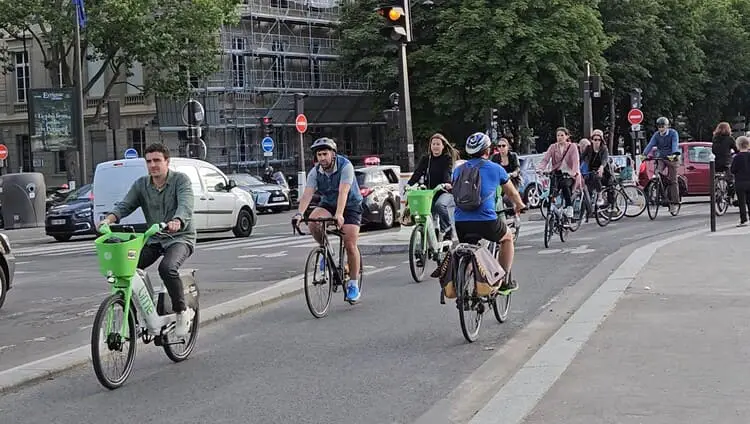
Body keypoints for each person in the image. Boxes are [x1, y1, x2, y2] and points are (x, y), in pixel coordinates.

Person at [98, 143, 196, 337]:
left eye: (157, 160)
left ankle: (181, 311)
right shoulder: (141, 184)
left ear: (166, 161)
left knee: (167, 268)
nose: (153, 165)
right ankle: (140, 311)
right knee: (126, 268)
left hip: (179, 237)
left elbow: (186, 205)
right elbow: (125, 205)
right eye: (149, 161)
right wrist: (108, 220)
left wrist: (177, 220)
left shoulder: (180, 181)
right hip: (153, 238)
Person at [293, 138, 363, 303]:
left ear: (333, 154)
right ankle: (326, 250)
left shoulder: (345, 166)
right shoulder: (315, 172)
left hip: (350, 204)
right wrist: (299, 214)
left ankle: (353, 284)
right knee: (313, 221)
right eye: (319, 155)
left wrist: (339, 214)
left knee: (350, 243)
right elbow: (308, 194)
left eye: (325, 154)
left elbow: (343, 192)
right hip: (328, 203)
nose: (322, 158)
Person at [453, 132, 525, 291]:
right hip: (486, 220)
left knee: (469, 247)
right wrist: (520, 205)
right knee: (507, 238)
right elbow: (512, 193)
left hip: (460, 221)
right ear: (487, 151)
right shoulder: (496, 168)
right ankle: (503, 281)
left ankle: (464, 285)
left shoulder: (458, 170)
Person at [406, 133, 459, 238]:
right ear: (430, 146)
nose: (435, 146)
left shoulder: (447, 158)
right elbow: (418, 173)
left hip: (444, 191)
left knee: (439, 205)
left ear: (443, 146)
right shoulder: (426, 159)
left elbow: (447, 172)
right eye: (433, 144)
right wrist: (409, 184)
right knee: (427, 214)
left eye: (438, 144)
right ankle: (430, 235)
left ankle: (447, 228)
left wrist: (447, 183)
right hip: (429, 192)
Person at [536, 127, 580, 218]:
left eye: (562, 135)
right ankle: (551, 213)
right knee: (552, 192)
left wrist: (573, 172)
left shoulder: (572, 147)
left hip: (569, 174)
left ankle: (569, 207)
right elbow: (545, 160)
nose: (560, 137)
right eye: (558, 135)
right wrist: (540, 169)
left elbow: (576, 161)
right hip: (557, 173)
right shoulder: (553, 147)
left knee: (565, 184)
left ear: (567, 136)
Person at [641, 117, 680, 206]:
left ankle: (675, 201)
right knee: (657, 173)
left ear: (667, 126)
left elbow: (675, 144)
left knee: (673, 180)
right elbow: (650, 144)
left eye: (663, 126)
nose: (661, 129)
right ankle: (661, 191)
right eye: (659, 127)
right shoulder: (656, 135)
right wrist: (644, 154)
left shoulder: (673, 133)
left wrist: (674, 154)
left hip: (672, 157)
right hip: (661, 157)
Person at [712, 121, 736, 199]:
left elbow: (713, 150)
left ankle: (718, 191)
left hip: (717, 163)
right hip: (727, 162)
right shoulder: (730, 139)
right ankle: (730, 195)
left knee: (717, 177)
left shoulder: (715, 138)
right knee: (731, 179)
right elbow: (736, 149)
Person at [731, 136, 750, 227]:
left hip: (740, 182)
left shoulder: (736, 157)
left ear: (738, 145)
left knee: (742, 202)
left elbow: (733, 170)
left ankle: (744, 219)